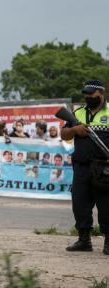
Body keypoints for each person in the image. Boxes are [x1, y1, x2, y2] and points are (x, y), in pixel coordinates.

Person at [61, 80, 109, 255]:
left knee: (106, 205)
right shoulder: (78, 113)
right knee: (80, 204)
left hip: (104, 168)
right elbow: (63, 134)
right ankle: (84, 240)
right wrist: (75, 130)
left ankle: (108, 242)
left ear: (101, 93)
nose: (88, 97)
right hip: (81, 167)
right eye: (85, 94)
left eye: (91, 94)